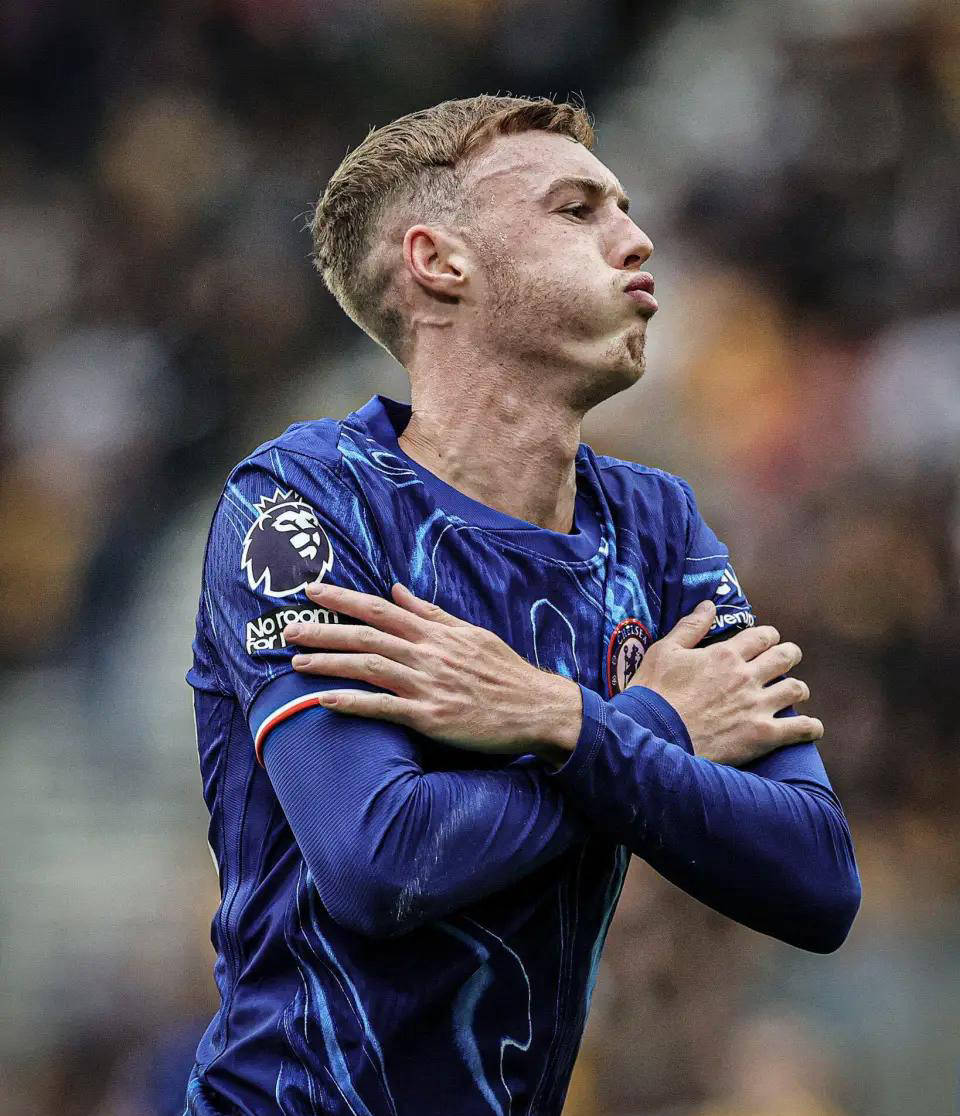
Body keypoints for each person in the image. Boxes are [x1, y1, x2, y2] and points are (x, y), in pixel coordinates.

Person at [185, 95, 861, 1116]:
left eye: (623, 207)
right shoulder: (305, 504)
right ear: (438, 262)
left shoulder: (657, 527)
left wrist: (558, 719)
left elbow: (817, 877)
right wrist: (648, 725)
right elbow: (380, 861)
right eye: (577, 209)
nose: (636, 237)